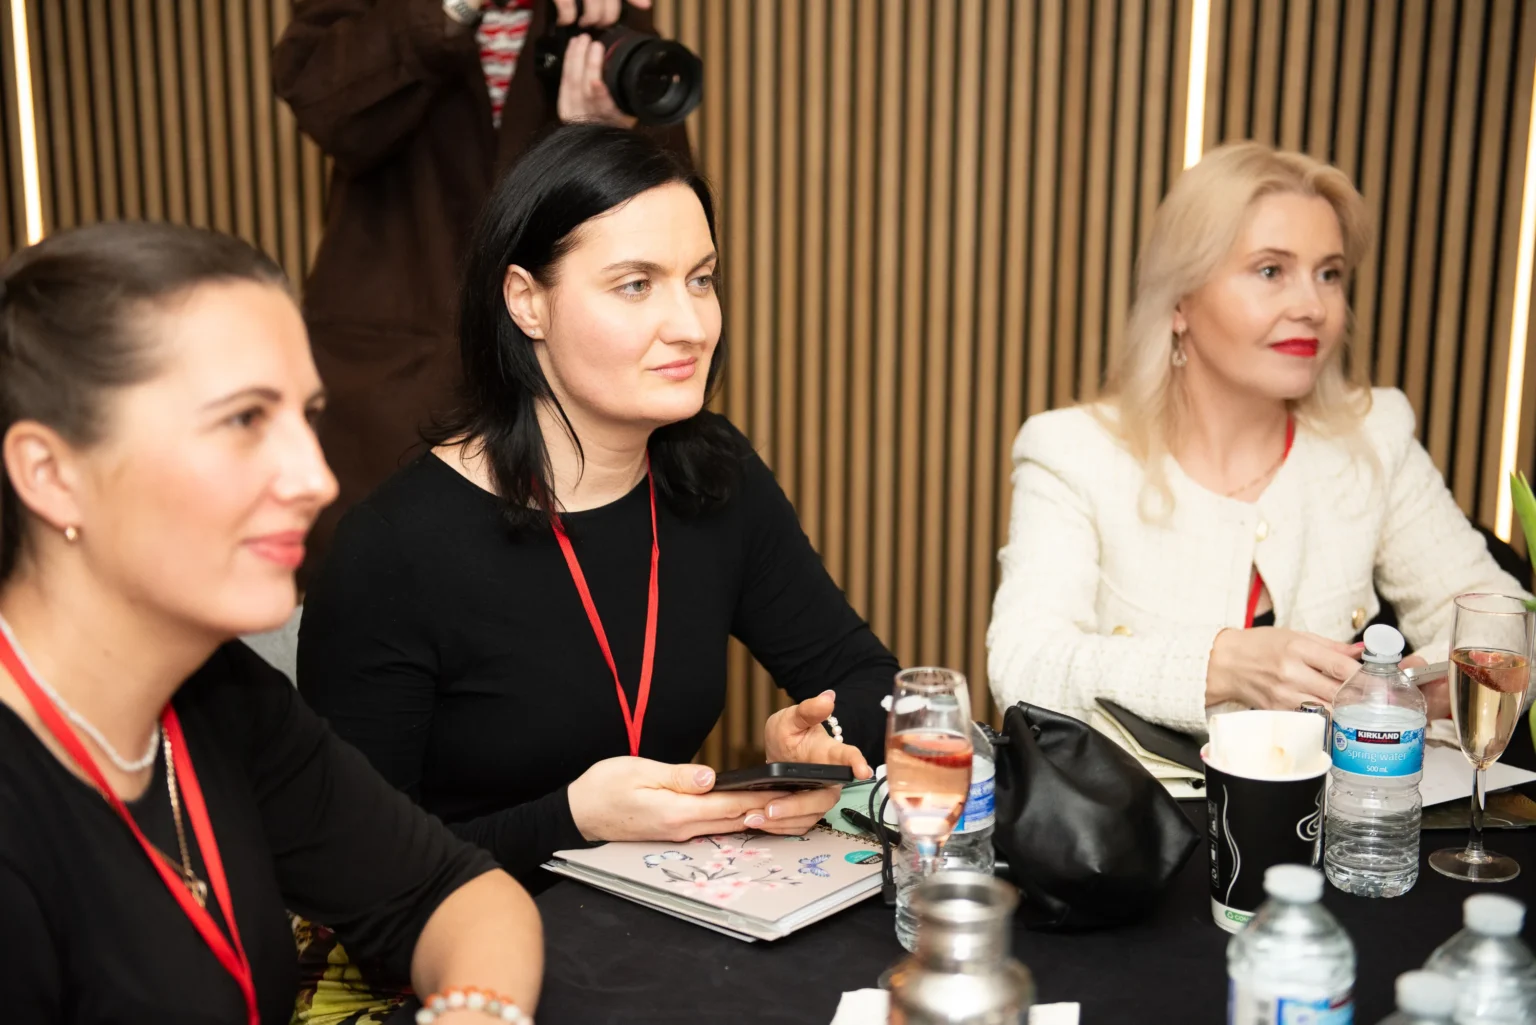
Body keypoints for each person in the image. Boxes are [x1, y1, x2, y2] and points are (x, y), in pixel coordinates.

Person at [296, 124, 894, 889]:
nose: (693, 326)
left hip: (665, 913)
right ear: (526, 302)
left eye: (701, 279)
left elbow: (865, 674)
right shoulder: (395, 550)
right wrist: (574, 816)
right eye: (636, 285)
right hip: (466, 941)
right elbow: (352, 871)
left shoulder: (713, 473)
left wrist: (821, 739)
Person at [0, 222, 543, 1025]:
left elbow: (451, 891)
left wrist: (478, 1011)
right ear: (51, 474)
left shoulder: (217, 693)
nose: (316, 478)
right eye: (244, 419)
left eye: (306, 415)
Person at [986, 141, 1528, 749]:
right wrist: (1219, 666)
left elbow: (1503, 616)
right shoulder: (1072, 451)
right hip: (1140, 810)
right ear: (1180, 301)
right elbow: (1023, 663)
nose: (1313, 306)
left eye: (1329, 274)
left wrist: (1426, 681)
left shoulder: (1375, 435)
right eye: (1271, 271)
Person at [273, 0, 690, 580]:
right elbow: (326, 104)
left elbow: (670, 214)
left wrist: (602, 141)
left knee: (557, 597)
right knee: (378, 586)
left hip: (563, 385)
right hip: (394, 374)